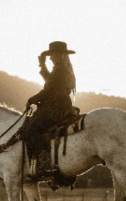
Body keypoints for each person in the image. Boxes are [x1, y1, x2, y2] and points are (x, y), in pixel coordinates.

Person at [25, 41, 77, 177]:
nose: (51, 58)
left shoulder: (60, 70)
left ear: (59, 55)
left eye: (52, 55)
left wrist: (31, 100)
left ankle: (44, 163)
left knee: (31, 130)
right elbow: (51, 82)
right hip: (61, 106)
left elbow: (47, 90)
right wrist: (42, 65)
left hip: (55, 108)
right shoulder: (63, 69)